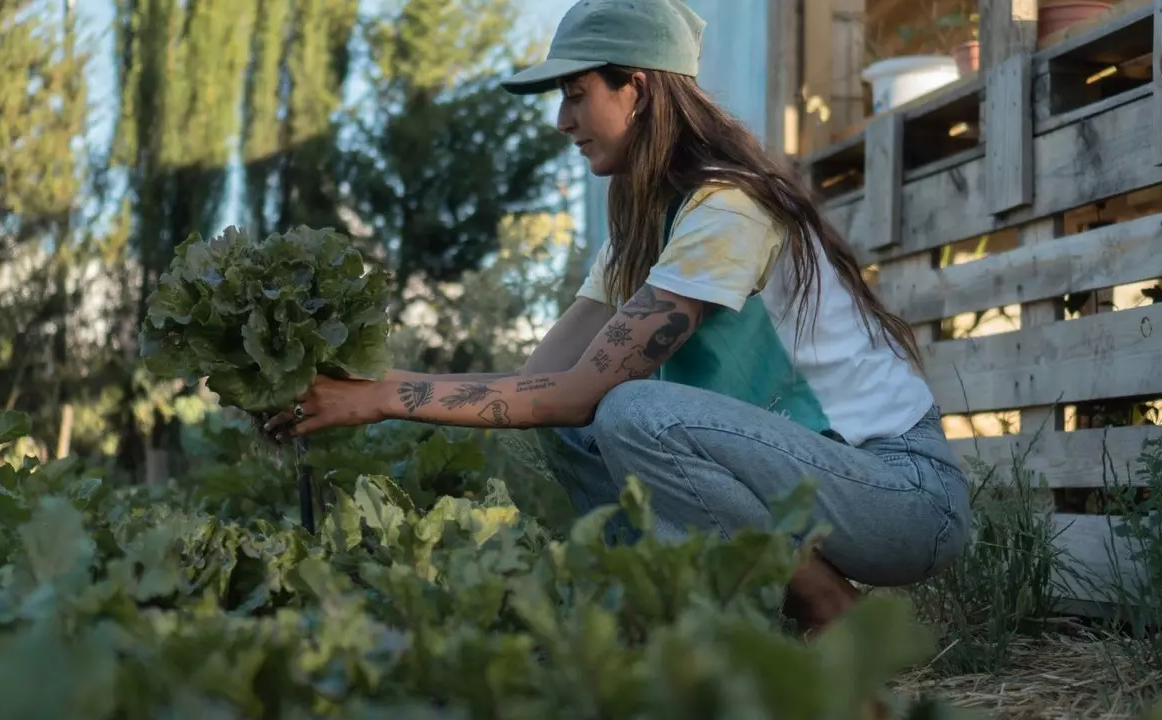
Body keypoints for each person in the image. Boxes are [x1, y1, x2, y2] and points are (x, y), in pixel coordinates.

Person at [265, 0, 971, 638]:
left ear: (636, 86)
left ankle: (828, 610)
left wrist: (387, 397)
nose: (562, 121)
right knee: (573, 432)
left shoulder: (727, 209)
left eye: (576, 95)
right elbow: (542, 383)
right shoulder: (641, 232)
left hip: (901, 497)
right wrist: (370, 384)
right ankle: (685, 615)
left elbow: (582, 392)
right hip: (811, 487)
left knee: (628, 410)